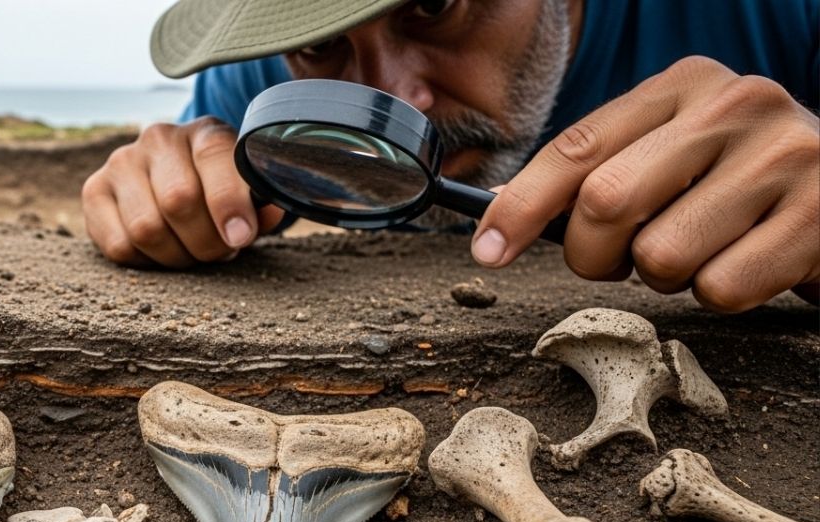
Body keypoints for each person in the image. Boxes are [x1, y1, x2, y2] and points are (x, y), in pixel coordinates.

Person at [81, 0, 819, 312]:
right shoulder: (256, 77)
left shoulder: (782, 16)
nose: (396, 101)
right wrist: (171, 185)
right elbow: (193, 174)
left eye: (434, 6)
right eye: (319, 40)